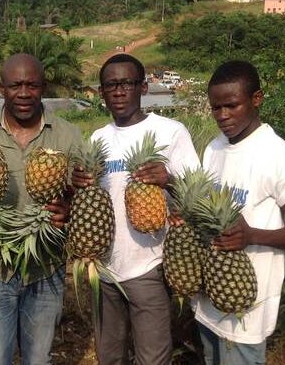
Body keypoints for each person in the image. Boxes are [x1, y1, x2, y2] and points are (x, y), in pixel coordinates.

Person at [72, 53, 201, 365]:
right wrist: (78, 183)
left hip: (149, 266)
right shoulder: (98, 137)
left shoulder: (171, 131)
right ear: (101, 92)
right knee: (109, 356)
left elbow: (199, 195)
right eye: (110, 85)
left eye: (127, 83)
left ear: (143, 88)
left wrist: (168, 180)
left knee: (152, 357)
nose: (118, 91)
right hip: (104, 267)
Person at [0, 53, 81, 365]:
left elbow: (82, 194)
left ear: (43, 87)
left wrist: (70, 206)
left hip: (47, 267)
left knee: (39, 358)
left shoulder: (69, 136)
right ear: (1, 88)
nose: (23, 93)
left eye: (31, 85)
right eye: (15, 85)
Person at [192, 60, 285, 364]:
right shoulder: (214, 148)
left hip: (247, 306)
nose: (222, 116)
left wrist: (251, 236)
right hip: (209, 300)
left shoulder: (280, 156)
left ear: (256, 99)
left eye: (232, 106)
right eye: (215, 108)